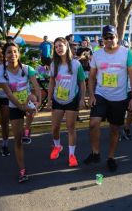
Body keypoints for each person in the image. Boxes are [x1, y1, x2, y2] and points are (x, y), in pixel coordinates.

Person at [84, 25, 132, 172]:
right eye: (106, 37)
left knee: (115, 129)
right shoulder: (97, 54)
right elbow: (92, 76)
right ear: (102, 39)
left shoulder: (126, 53)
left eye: (111, 37)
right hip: (101, 94)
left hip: (119, 98)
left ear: (117, 38)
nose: (109, 40)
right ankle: (95, 153)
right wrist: (91, 94)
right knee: (93, 123)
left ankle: (111, 157)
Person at [0, 42, 41, 183]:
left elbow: (36, 88)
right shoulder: (2, 74)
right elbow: (9, 95)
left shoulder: (28, 69)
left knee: (32, 97)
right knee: (17, 140)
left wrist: (37, 102)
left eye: (15, 51)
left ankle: (27, 129)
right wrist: (22, 107)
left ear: (19, 53)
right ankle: (22, 171)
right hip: (15, 106)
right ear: (4, 56)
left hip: (27, 102)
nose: (12, 54)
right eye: (9, 52)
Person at [47, 37, 86, 167]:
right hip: (57, 99)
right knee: (55, 127)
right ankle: (57, 146)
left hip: (72, 100)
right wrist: (49, 99)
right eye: (56, 47)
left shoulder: (76, 64)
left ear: (66, 46)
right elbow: (52, 82)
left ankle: (71, 154)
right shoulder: (54, 64)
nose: (58, 48)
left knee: (70, 128)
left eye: (60, 46)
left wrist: (82, 99)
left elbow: (82, 82)